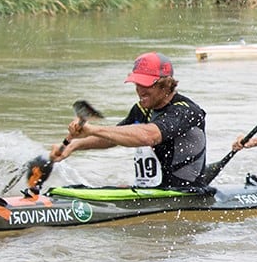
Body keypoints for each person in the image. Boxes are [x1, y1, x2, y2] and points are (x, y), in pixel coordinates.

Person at [52, 52, 207, 188]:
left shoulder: (186, 111)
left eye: (146, 85)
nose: (139, 90)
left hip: (185, 193)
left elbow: (149, 136)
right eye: (137, 84)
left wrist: (93, 129)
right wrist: (73, 145)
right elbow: (113, 138)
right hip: (154, 191)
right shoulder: (141, 109)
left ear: (166, 85)